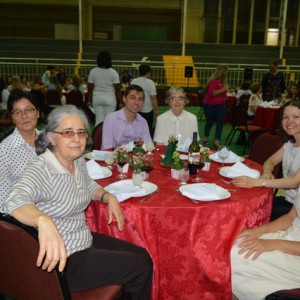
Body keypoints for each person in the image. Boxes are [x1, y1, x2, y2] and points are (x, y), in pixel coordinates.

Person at [3, 105, 153, 299]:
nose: (76, 139)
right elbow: (14, 200)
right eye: (67, 132)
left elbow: (87, 184)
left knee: (142, 255)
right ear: (51, 138)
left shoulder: (77, 159)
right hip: (63, 259)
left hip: (83, 240)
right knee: (141, 266)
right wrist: (42, 220)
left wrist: (107, 196)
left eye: (81, 132)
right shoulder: (42, 168)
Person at [232, 99, 300, 220]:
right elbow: (270, 161)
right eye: (285, 117)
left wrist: (257, 182)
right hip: (288, 200)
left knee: (250, 216)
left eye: (296, 117)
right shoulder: (290, 144)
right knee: (247, 206)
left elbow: (294, 182)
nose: (290, 121)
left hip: (297, 210)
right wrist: (268, 172)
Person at [231, 190, 300, 300]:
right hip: (288, 236)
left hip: (295, 255)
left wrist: (270, 244)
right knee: (230, 244)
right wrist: (258, 231)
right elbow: (291, 218)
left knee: (233, 257)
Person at [0, 92, 40, 212]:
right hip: (24, 220)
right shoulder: (4, 151)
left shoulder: (52, 142)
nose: (24, 116)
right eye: (17, 112)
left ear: (38, 113)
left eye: (29, 109)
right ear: (12, 118)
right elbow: (3, 201)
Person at [101, 84, 152, 150]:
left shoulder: (143, 122)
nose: (136, 102)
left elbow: (148, 146)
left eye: (140, 99)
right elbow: (107, 148)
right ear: (124, 99)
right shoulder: (111, 119)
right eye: (132, 98)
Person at [87, 51, 122, 126]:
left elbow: (90, 88)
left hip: (97, 98)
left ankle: (97, 137)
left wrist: (89, 100)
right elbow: (118, 89)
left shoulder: (93, 71)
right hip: (110, 98)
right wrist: (121, 102)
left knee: (98, 121)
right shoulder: (113, 72)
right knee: (109, 121)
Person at [203, 64, 229, 148]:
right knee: (209, 122)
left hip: (221, 105)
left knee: (220, 122)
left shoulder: (224, 82)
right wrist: (224, 89)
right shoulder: (214, 81)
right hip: (210, 105)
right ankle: (206, 137)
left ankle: (216, 139)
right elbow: (212, 93)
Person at [131, 64, 158, 136]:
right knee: (147, 130)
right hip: (147, 110)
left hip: (135, 109)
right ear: (148, 72)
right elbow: (153, 98)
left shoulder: (134, 81)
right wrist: (156, 110)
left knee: (134, 129)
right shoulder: (150, 82)